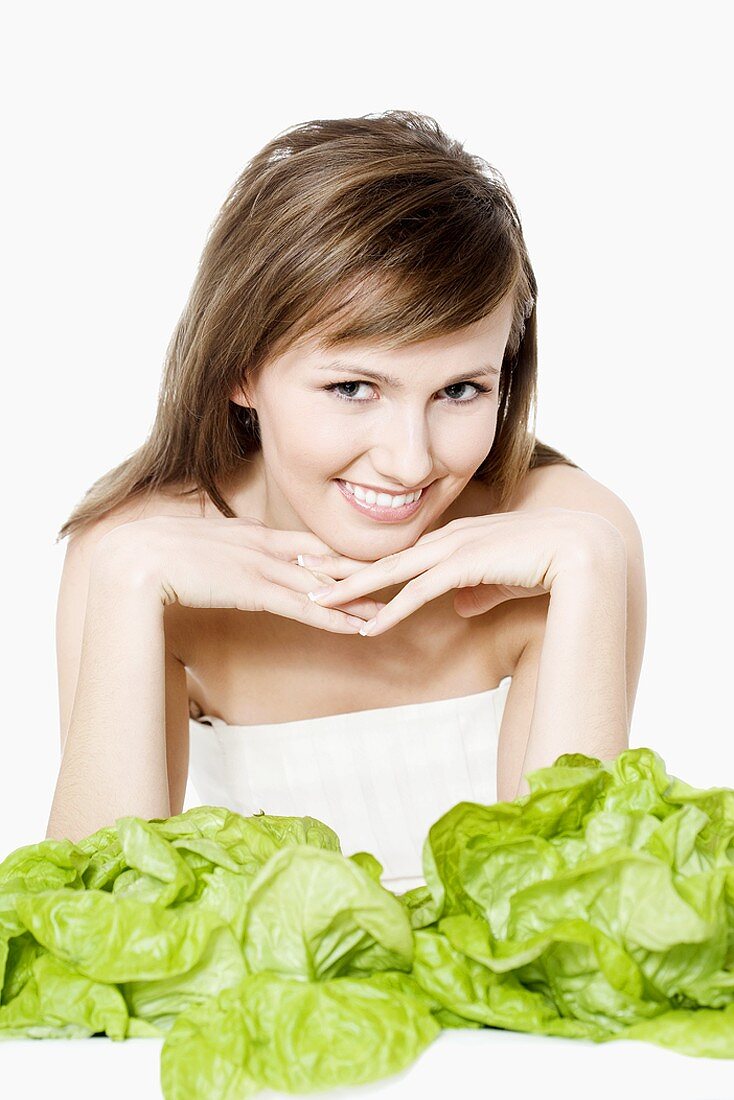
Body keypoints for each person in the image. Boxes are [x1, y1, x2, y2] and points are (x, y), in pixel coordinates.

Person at [46, 110, 646, 894]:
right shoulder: (137, 558)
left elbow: (578, 926)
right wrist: (123, 587)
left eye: (461, 389)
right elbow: (93, 929)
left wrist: (595, 569)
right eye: (354, 387)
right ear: (242, 372)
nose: (409, 461)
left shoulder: (564, 540)